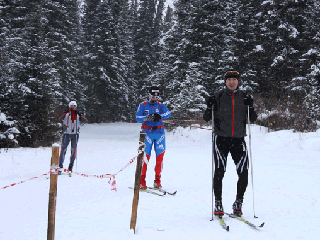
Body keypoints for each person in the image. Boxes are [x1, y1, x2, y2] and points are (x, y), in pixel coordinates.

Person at [203, 70, 258, 217]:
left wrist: (250, 105)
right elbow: (206, 117)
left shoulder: (244, 96)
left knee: (244, 173)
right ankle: (218, 202)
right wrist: (209, 105)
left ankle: (238, 202)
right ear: (225, 82)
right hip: (221, 139)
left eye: (234, 79)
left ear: (238, 81)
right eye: (229, 80)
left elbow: (253, 118)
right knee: (220, 171)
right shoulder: (218, 96)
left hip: (239, 140)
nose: (232, 82)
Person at [136, 86, 172, 189]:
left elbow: (168, 113)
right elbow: (138, 118)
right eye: (153, 96)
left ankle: (157, 181)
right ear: (149, 95)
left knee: (159, 159)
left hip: (160, 134)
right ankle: (142, 181)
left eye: (156, 96)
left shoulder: (160, 105)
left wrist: (160, 116)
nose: (155, 98)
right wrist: (148, 117)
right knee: (145, 158)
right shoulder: (143, 105)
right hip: (147, 134)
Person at [58, 101, 88, 175]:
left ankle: (70, 166)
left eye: (74, 106)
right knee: (63, 150)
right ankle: (60, 167)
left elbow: (85, 120)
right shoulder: (67, 114)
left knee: (73, 150)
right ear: (69, 106)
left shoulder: (77, 114)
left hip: (75, 134)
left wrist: (80, 114)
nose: (73, 107)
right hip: (66, 134)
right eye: (71, 105)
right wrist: (65, 112)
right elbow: (60, 118)